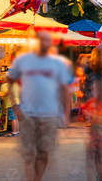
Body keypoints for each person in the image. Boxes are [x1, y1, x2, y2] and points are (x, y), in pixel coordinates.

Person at [6, 29, 73, 181]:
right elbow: (10, 81)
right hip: (28, 115)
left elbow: (64, 89)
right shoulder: (23, 60)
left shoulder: (57, 63)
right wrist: (15, 106)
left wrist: (66, 115)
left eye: (48, 40)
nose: (45, 43)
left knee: (44, 153)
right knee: (28, 155)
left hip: (50, 116)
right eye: (42, 40)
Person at [81, 77, 102, 181]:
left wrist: (97, 113)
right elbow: (84, 111)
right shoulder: (91, 102)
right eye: (94, 91)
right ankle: (92, 176)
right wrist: (89, 113)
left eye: (98, 91)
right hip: (92, 138)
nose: (95, 93)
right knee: (92, 159)